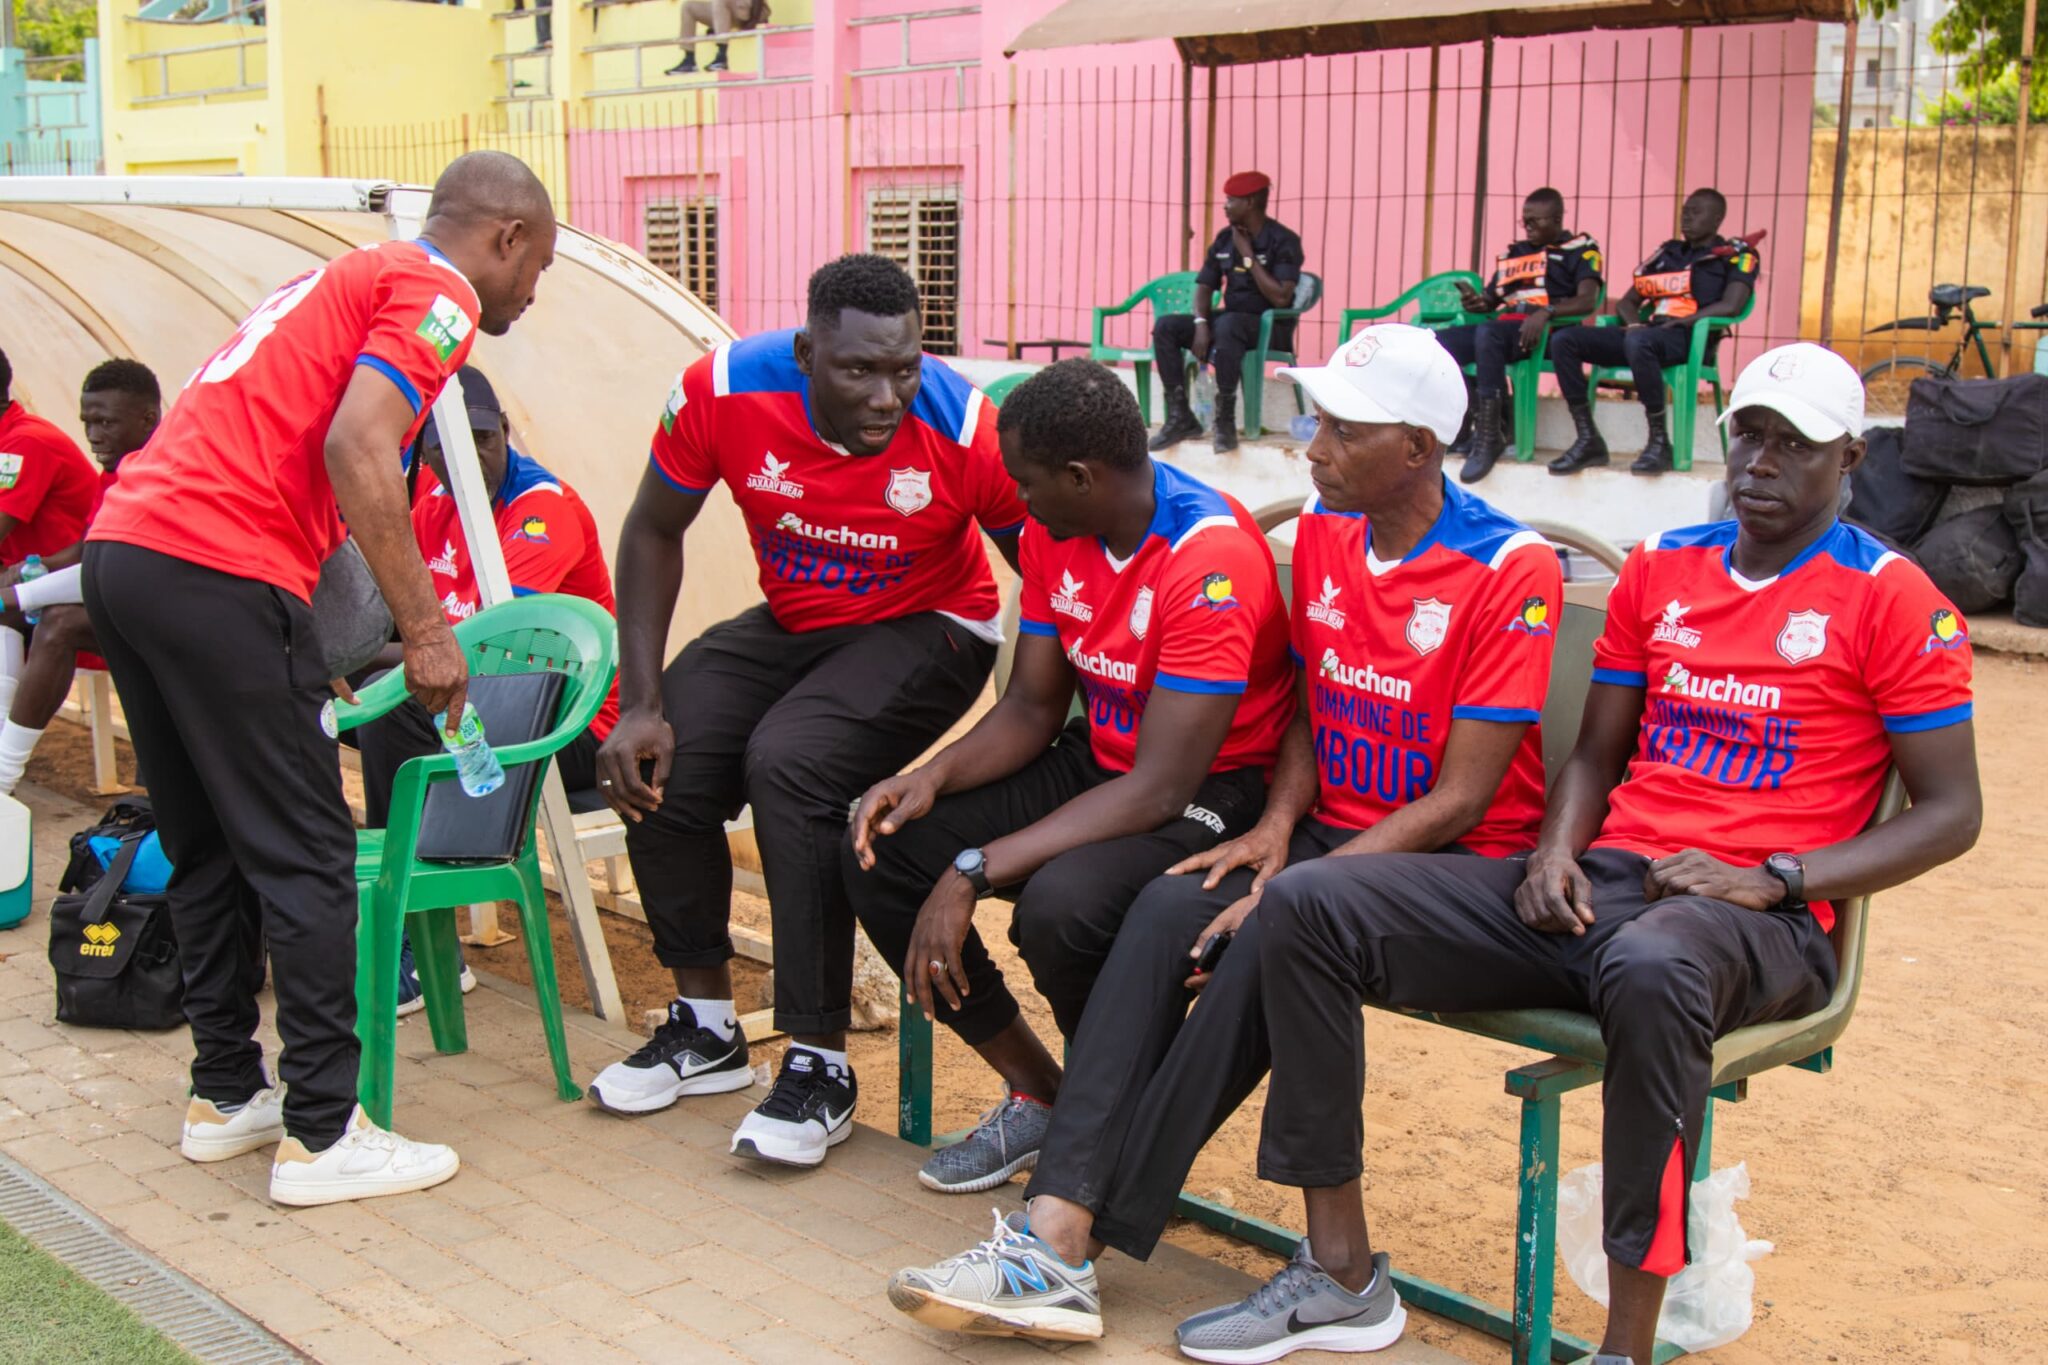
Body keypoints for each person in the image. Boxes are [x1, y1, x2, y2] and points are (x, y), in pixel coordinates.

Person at [1153, 343, 1978, 1365]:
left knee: (1652, 965)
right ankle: (1339, 1273)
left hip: (1758, 921)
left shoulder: (1892, 597)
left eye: (1795, 446)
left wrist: (1778, 877)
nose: (1761, 463)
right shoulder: (1665, 565)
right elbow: (1592, 754)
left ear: (1849, 457)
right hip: (1611, 887)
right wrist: (1553, 852)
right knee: (1313, 901)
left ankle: (1622, 1348)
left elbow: (1951, 813)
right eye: (1749, 436)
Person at [880, 324, 1561, 1349]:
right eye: (1317, 422)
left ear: (1418, 447)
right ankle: (1065, 1229)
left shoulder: (1510, 566)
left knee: (1265, 937)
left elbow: (1462, 800)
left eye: (1343, 430)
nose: (1313, 448)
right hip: (1326, 835)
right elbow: (1312, 705)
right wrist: (1278, 828)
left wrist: (1290, 885)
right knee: (1165, 911)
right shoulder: (1328, 530)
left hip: (1451, 867)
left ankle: (1066, 1235)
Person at [82, 151, 557, 1207]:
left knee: (205, 841)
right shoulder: (436, 293)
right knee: (307, 857)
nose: (533, 292)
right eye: (540, 268)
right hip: (215, 566)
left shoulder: (338, 278)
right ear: (508, 237)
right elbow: (359, 447)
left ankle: (224, 1093)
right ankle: (325, 1131)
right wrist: (427, 633)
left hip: (128, 553)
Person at [587, 253, 1026, 1170]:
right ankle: (706, 1024)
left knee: (792, 762)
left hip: (936, 625)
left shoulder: (964, 426)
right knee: (669, 751)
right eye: (858, 370)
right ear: (805, 353)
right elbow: (654, 527)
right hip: (800, 621)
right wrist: (640, 702)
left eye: (903, 369)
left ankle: (820, 1064)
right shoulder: (722, 392)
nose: (886, 396)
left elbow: (1057, 570)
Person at [844, 358, 1295, 1194]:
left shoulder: (1210, 559)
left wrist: (975, 868)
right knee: (886, 845)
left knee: (1063, 908)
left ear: (1081, 477)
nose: (1017, 499)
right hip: (1106, 759)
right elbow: (1030, 708)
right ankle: (1044, 1093)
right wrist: (933, 775)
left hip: (1216, 785)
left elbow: (1161, 787)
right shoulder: (1053, 534)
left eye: (1026, 481)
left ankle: (1109, 1124)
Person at [354, 364, 620, 1014]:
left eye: (484, 437)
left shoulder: (541, 510)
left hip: (571, 725)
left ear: (503, 428)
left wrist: (384, 651)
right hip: (478, 708)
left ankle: (420, 940)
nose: (472, 457)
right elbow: (403, 620)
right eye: (449, 448)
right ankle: (338, 896)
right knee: (320, 697)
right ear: (424, 455)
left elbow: (480, 653)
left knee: (386, 708)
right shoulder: (435, 503)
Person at [0, 359, 161, 795]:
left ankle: (3, 777)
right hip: (113, 597)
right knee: (16, 611)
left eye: (105, 422)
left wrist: (21, 592)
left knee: (58, 624)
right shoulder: (119, 467)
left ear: (148, 418)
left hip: (173, 619)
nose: (92, 434)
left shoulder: (159, 472)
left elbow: (110, 567)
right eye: (87, 422)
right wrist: (33, 569)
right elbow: (91, 547)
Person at [1547, 189, 1761, 477]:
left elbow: (1732, 304)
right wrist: (1634, 324)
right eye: (1685, 210)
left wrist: (1686, 322)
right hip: (1648, 335)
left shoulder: (1734, 256)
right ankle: (1588, 439)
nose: (1687, 217)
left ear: (1717, 218)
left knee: (1640, 341)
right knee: (1565, 339)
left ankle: (1659, 443)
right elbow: (1627, 302)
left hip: (1688, 339)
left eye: (1696, 212)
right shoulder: (1668, 253)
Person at [1435, 187, 1603, 484]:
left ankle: (1490, 437)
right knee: (1441, 343)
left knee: (1488, 334)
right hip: (1506, 329)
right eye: (1524, 221)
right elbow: (1491, 301)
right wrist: (1477, 303)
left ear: (1557, 219)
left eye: (1535, 221)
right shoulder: (1516, 254)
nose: (1528, 227)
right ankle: (1473, 422)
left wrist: (1547, 312)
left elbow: (1588, 300)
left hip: (1549, 332)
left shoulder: (1580, 249)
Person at [1148, 171, 1305, 455]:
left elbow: (1281, 297)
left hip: (1269, 327)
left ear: (1251, 202)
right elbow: (1204, 286)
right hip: (1231, 324)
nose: (1225, 206)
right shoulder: (1224, 239)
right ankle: (1180, 415)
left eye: (1231, 200)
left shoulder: (1283, 240)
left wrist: (1248, 256)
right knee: (1167, 326)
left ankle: (1225, 420)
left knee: (1228, 325)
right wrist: (1200, 323)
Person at [0, 345, 101, 720]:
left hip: (66, 582)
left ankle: (5, 740)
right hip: (27, 581)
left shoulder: (25, 442)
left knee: (4, 607)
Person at [666, 0, 769, 76]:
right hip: (723, 9)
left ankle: (722, 57)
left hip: (747, 9)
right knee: (688, 7)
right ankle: (689, 60)